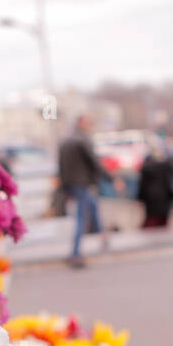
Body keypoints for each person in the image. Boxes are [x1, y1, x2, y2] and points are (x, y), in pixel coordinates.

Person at [57, 114, 110, 268]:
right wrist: (110, 179)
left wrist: (64, 186)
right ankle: (75, 253)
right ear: (83, 123)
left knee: (92, 207)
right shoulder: (82, 140)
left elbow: (61, 165)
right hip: (82, 183)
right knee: (82, 217)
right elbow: (94, 162)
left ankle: (103, 236)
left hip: (71, 183)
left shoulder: (66, 139)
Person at [136, 138, 173, 228]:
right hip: (165, 200)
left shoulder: (147, 167)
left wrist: (139, 198)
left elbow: (142, 185)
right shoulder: (168, 165)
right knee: (163, 225)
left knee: (151, 224)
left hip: (151, 200)